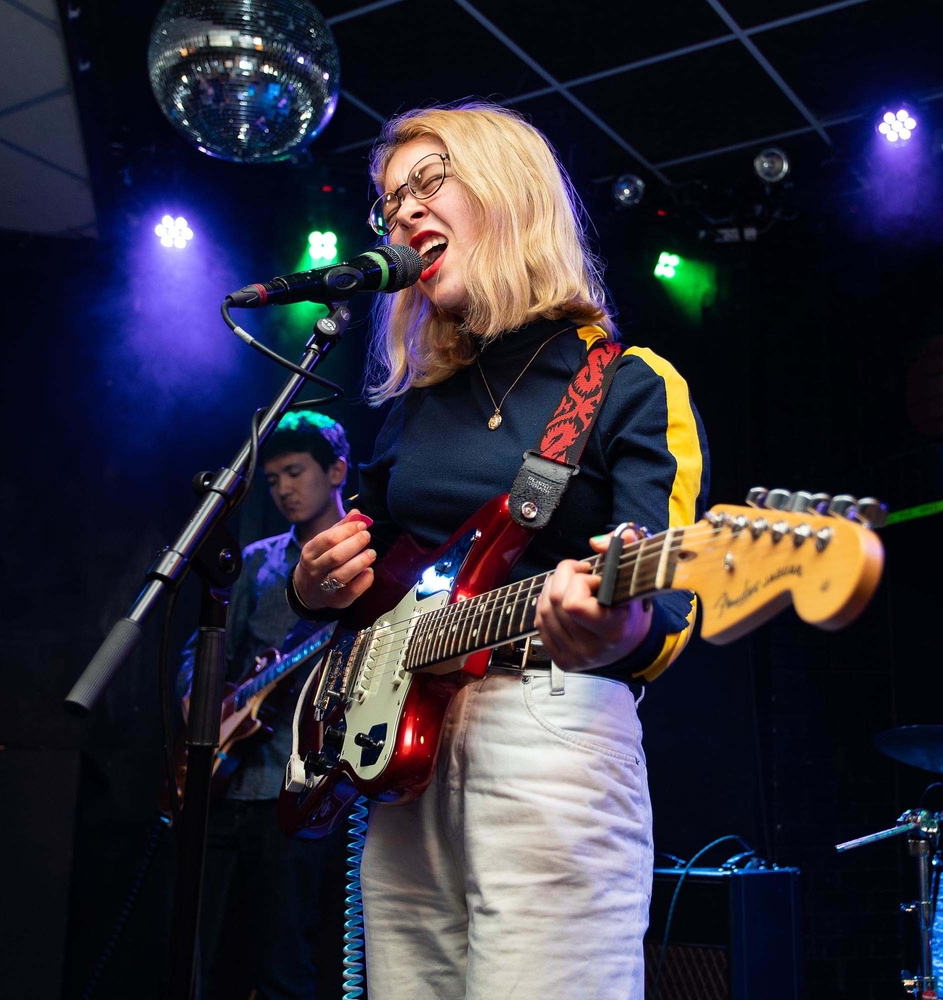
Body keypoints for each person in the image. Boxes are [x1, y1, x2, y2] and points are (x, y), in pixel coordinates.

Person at [285, 102, 709, 999]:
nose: (402, 214)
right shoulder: (418, 404)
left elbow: (666, 609)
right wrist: (319, 586)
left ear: (509, 195)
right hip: (404, 755)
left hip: (548, 731)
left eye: (429, 184)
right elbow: (377, 575)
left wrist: (616, 627)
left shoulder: (628, 384)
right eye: (391, 202)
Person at [176, 410, 351, 1000]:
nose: (282, 489)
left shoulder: (367, 560)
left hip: (306, 789)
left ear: (337, 470)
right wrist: (198, 703)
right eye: (272, 479)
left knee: (287, 962)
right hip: (228, 785)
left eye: (295, 473)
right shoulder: (256, 559)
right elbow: (199, 656)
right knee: (211, 959)